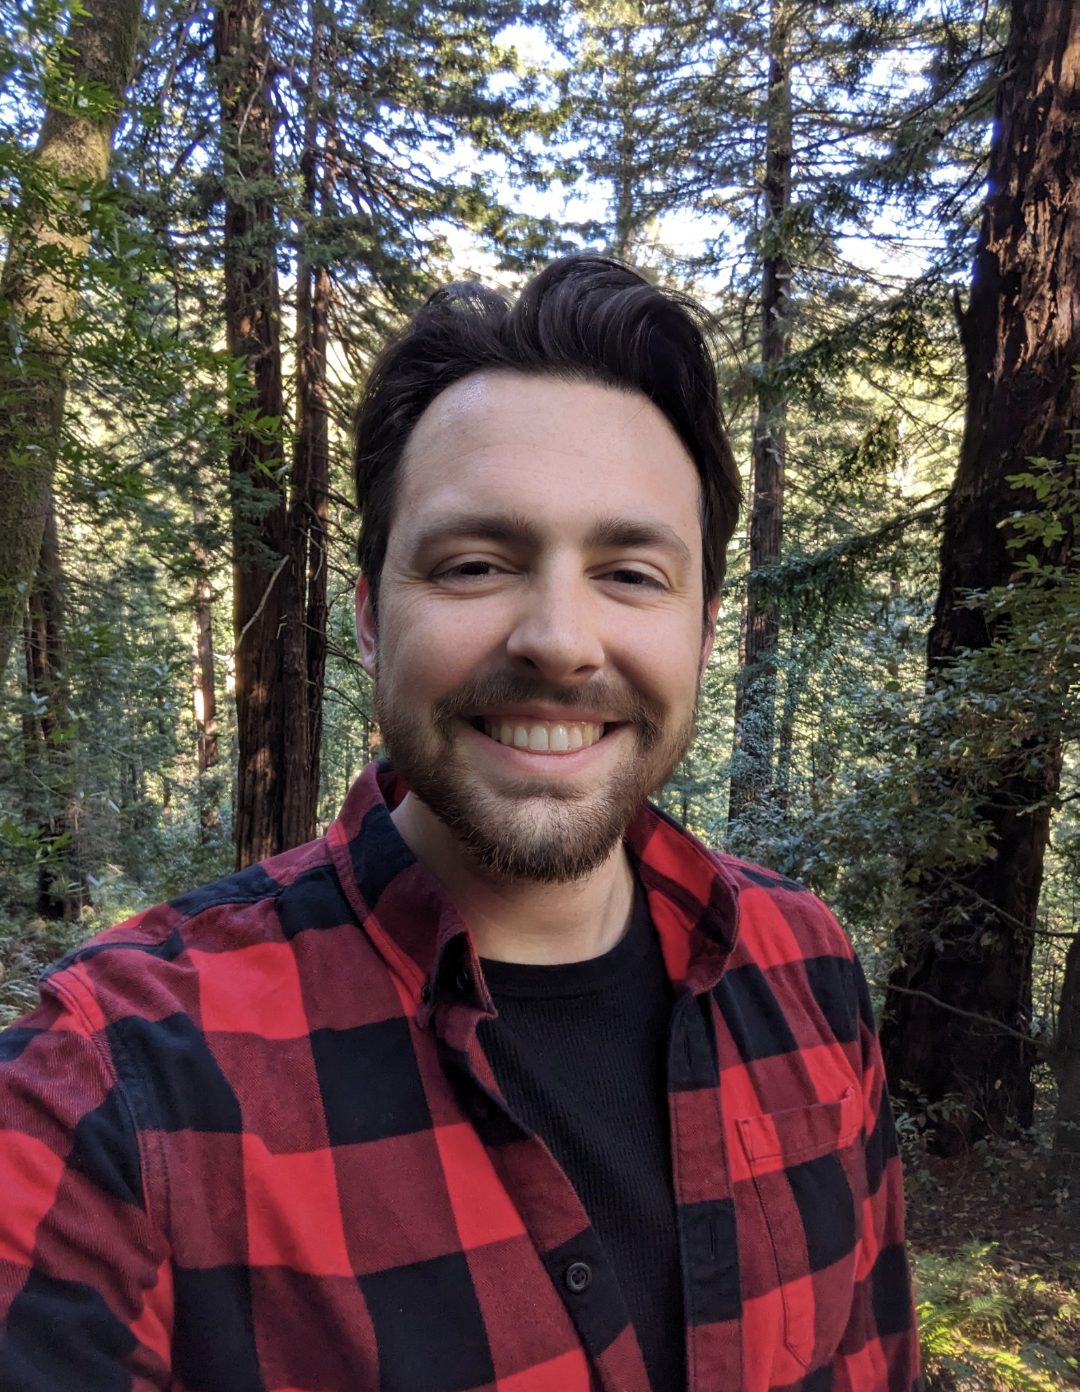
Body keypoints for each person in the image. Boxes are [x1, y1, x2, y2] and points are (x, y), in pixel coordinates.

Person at [0, 256, 919, 1392]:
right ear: (374, 621)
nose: (560, 639)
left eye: (631, 573)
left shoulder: (807, 966)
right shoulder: (111, 1089)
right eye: (477, 563)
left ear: (703, 627)